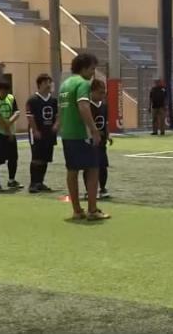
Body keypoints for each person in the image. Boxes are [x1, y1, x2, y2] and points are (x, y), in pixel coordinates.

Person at [59, 53, 110, 221]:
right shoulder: (83, 83)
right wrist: (94, 130)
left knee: (72, 170)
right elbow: (83, 107)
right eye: (92, 68)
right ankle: (92, 210)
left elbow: (61, 110)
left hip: (67, 134)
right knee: (93, 170)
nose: (93, 72)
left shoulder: (64, 84)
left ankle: (77, 210)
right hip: (82, 134)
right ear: (83, 68)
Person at [0, 79, 21, 193]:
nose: (5, 94)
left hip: (10, 132)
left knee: (13, 157)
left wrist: (9, 123)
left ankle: (11, 180)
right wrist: (8, 130)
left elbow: (17, 112)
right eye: (3, 92)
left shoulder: (11, 98)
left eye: (7, 91)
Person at [26, 73, 58, 193]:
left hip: (49, 133)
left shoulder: (53, 100)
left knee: (45, 159)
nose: (48, 85)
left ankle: (40, 182)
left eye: (49, 82)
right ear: (39, 84)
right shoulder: (32, 100)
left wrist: (56, 125)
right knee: (36, 158)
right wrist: (35, 130)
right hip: (37, 133)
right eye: (45, 83)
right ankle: (33, 183)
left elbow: (58, 115)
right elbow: (30, 117)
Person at [84, 79, 113, 200]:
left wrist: (108, 135)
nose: (103, 95)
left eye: (104, 92)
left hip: (102, 142)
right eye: (100, 92)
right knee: (89, 166)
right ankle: (88, 190)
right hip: (90, 142)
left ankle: (103, 188)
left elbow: (105, 123)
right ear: (93, 92)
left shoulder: (104, 106)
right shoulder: (87, 106)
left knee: (103, 165)